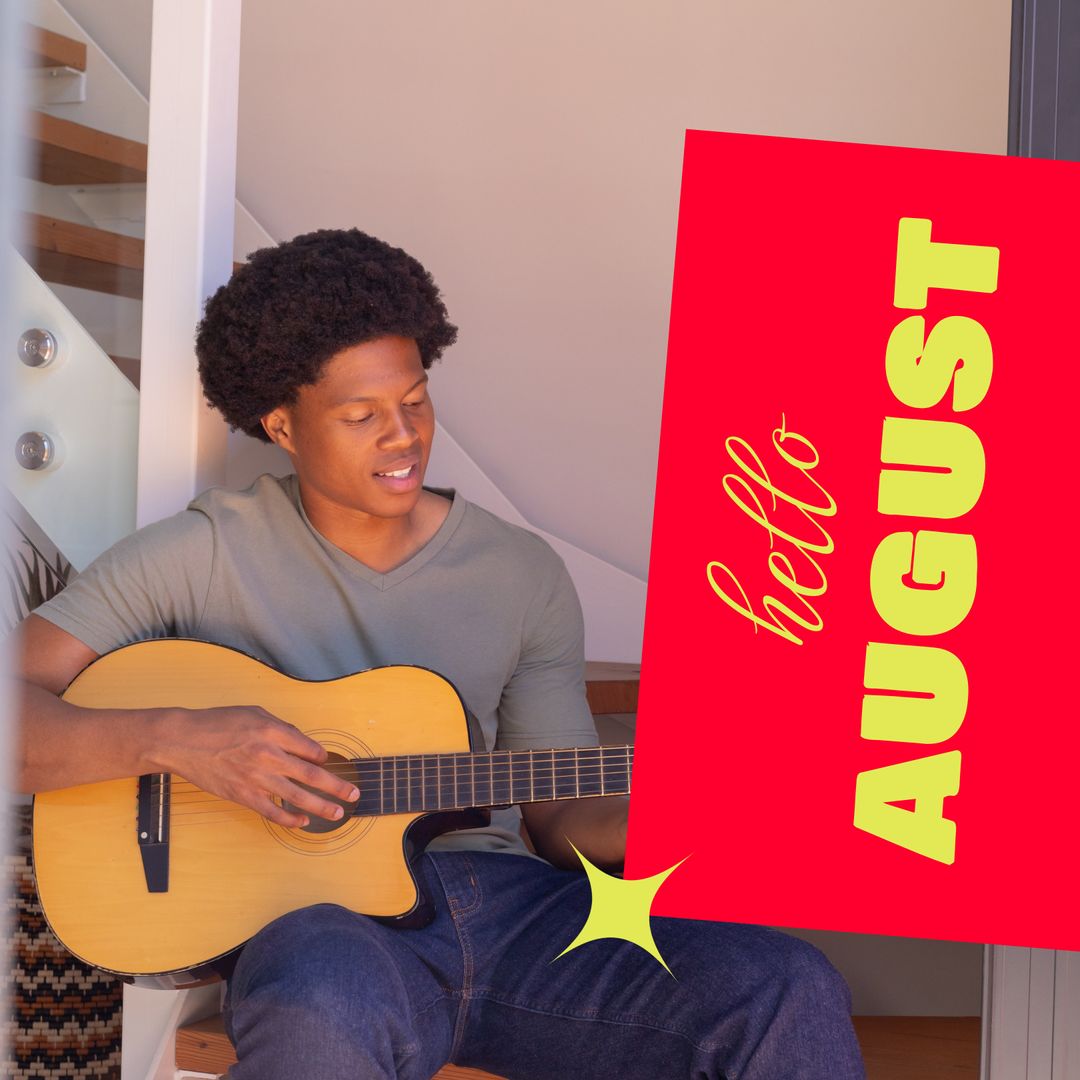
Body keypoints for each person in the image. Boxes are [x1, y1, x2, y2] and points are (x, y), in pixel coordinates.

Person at [13, 228, 866, 1079]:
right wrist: (181, 738)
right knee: (320, 1006)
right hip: (321, 933)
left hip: (514, 917)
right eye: (361, 416)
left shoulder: (520, 573)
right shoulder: (200, 552)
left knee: (783, 985)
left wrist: (686, 808)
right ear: (281, 425)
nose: (403, 437)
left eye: (416, 402)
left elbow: (562, 820)